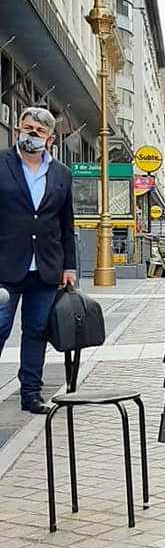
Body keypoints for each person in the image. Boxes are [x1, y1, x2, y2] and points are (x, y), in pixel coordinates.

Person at [0, 108, 77, 414]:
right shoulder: (2, 164)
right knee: (0, 328)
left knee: (36, 332)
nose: (30, 134)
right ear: (17, 129)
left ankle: (31, 393)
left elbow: (66, 224)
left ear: (49, 138)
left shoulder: (61, 174)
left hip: (46, 268)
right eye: (26, 127)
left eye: (37, 131)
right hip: (5, 267)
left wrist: (69, 266)